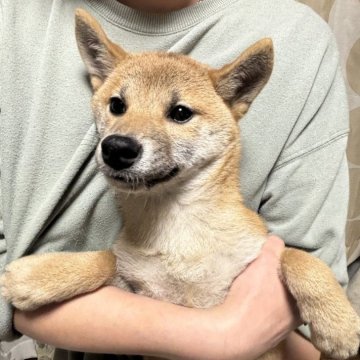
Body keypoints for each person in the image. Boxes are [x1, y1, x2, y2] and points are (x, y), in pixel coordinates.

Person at [0, 0, 350, 359]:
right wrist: (98, 269)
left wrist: (303, 273)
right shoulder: (11, 20)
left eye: (179, 113)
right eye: (118, 107)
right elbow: (119, 271)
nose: (125, 135)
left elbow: (293, 289)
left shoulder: (302, 40)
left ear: (237, 94)